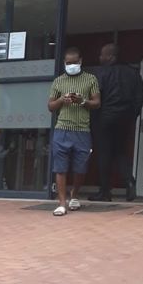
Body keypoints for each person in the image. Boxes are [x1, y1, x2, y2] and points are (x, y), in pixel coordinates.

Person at [47, 47, 101, 216]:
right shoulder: (58, 81)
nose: (71, 65)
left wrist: (82, 101)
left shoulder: (90, 79)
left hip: (82, 130)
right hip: (62, 129)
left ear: (80, 61)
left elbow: (97, 103)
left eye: (74, 62)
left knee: (81, 167)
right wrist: (62, 100)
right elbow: (50, 106)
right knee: (60, 168)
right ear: (64, 63)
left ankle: (74, 194)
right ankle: (62, 203)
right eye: (68, 63)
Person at [90, 43, 143, 202]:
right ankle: (129, 182)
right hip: (125, 118)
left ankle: (105, 191)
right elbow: (139, 99)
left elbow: (96, 97)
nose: (100, 57)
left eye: (102, 55)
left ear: (111, 57)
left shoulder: (101, 73)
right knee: (121, 152)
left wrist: (94, 118)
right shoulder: (133, 73)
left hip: (104, 118)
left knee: (104, 153)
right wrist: (132, 116)